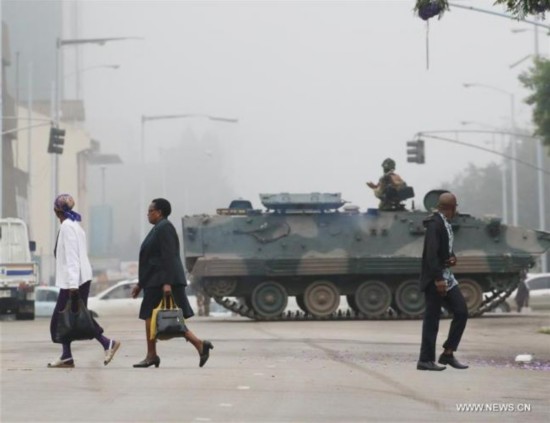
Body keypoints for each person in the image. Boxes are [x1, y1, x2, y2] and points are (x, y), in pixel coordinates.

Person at [131, 198, 213, 368]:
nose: (148, 214)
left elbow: (169, 256)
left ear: (159, 212)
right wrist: (140, 283)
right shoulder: (157, 229)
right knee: (167, 317)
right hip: (155, 281)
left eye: (150, 211)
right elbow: (150, 258)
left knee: (158, 316)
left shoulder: (164, 228)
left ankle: (152, 355)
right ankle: (198, 345)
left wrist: (167, 283)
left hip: (162, 281)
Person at [48, 194, 121, 368]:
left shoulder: (67, 227)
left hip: (74, 282)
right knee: (72, 318)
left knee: (66, 320)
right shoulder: (76, 226)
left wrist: (73, 285)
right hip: (78, 279)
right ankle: (67, 356)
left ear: (57, 211)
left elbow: (72, 257)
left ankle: (107, 343)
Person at [417, 192, 469, 371]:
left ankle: (448, 353)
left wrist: (451, 257)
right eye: (456, 207)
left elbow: (443, 248)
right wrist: (438, 279)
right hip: (436, 278)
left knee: (461, 311)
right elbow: (431, 254)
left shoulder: (445, 223)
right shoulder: (434, 223)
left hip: (447, 277)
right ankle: (425, 360)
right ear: (452, 208)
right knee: (432, 319)